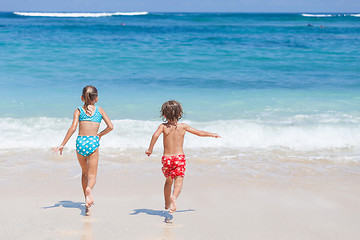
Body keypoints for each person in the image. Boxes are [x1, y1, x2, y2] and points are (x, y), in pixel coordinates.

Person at [145, 100, 220, 213]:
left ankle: (166, 204)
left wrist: (150, 149)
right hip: (179, 158)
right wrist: (212, 134)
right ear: (180, 114)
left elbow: (155, 135)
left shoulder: (163, 127)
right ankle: (174, 197)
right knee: (178, 181)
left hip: (167, 159)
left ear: (164, 115)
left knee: (168, 181)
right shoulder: (183, 127)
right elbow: (199, 133)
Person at [53, 85, 114, 208]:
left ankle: (86, 198)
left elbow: (73, 128)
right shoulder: (100, 110)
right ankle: (89, 190)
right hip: (93, 142)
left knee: (84, 172)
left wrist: (62, 144)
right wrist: (100, 135)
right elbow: (111, 127)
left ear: (82, 98)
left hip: (80, 142)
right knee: (92, 176)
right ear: (96, 98)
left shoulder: (78, 110)